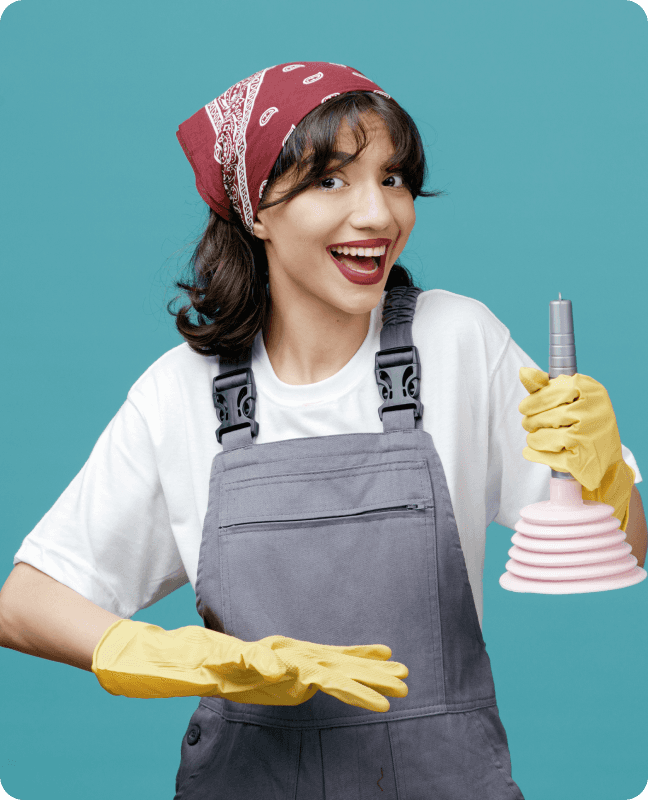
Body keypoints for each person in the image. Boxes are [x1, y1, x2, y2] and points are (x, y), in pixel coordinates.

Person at [0, 62, 644, 799]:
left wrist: (603, 476)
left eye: (394, 178)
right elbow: (23, 604)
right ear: (255, 211)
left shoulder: (457, 340)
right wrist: (172, 655)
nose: (376, 214)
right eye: (331, 180)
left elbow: (626, 544)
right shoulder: (181, 392)